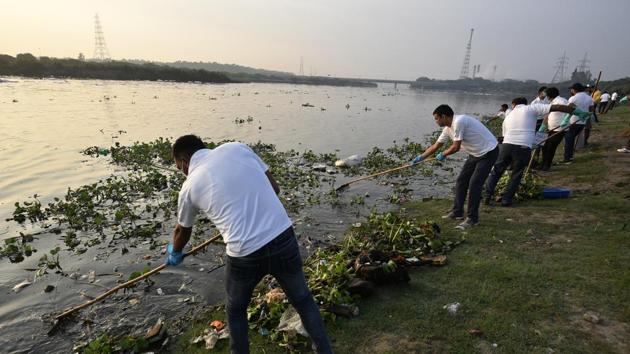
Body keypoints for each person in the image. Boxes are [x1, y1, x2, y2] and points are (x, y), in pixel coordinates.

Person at [165, 135, 333, 354]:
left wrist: (175, 252)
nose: (182, 172)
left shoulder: (189, 187)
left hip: (244, 254)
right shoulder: (237, 148)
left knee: (236, 310)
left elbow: (181, 230)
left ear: (184, 162)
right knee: (302, 299)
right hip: (282, 235)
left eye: (180, 168)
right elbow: (275, 189)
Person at [484, 97, 586, 206]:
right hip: (523, 147)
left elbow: (504, 136)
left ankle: (487, 196)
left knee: (496, 172)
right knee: (516, 174)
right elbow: (557, 107)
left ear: (513, 104)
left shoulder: (508, 116)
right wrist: (576, 111)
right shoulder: (531, 108)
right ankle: (506, 200)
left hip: (506, 146)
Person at [411, 104, 499, 230]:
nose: (436, 121)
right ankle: (457, 212)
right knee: (461, 181)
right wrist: (420, 158)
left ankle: (472, 219)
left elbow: (456, 147)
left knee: (474, 184)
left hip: (488, 151)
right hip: (474, 153)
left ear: (444, 116)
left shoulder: (459, 121)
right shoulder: (447, 129)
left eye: (437, 118)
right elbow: (436, 146)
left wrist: (443, 154)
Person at [539, 87, 569, 171]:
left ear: (549, 95)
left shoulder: (561, 101)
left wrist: (565, 120)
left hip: (559, 129)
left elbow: (570, 111)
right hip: (550, 128)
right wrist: (543, 126)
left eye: (546, 95)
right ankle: (543, 163)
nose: (546, 97)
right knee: (545, 146)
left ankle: (546, 166)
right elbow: (548, 114)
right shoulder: (552, 102)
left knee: (551, 147)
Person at [563, 83, 594, 163]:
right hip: (582, 122)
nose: (571, 90)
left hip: (573, 122)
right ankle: (570, 156)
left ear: (574, 90)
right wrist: (585, 116)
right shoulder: (589, 98)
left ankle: (568, 158)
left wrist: (564, 120)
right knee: (571, 138)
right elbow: (591, 110)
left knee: (569, 139)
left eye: (572, 89)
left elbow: (568, 110)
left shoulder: (573, 98)